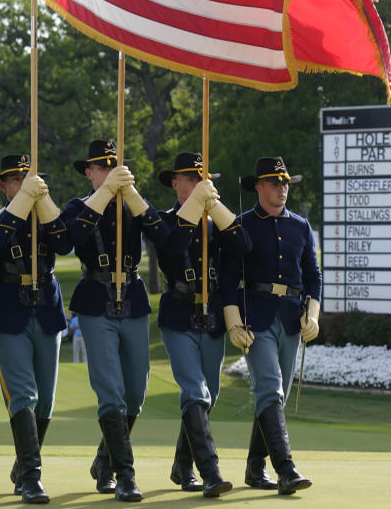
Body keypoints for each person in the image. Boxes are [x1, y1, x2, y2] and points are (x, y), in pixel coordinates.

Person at [61, 139, 162, 502]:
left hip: (132, 297)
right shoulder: (78, 207)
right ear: (89, 172)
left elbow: (162, 236)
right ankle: (125, 474)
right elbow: (70, 238)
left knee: (135, 393)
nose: (107, 172)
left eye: (113, 166)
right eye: (101, 167)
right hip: (95, 299)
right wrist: (104, 194)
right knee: (110, 392)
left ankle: (104, 460)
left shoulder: (133, 203)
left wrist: (131, 194)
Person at [219, 157, 321, 495]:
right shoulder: (241, 224)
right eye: (275, 183)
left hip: (291, 317)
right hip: (255, 317)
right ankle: (286, 469)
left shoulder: (301, 226)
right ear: (259, 187)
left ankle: (255, 467)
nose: (282, 188)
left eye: (285, 183)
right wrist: (233, 323)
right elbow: (228, 278)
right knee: (269, 387)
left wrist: (314, 314)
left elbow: (313, 276)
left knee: (276, 394)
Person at [153, 152, 248, 497]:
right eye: (188, 179)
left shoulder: (217, 223)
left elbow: (244, 245)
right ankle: (209, 471)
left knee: (209, 396)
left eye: (200, 180)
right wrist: (195, 208)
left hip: (212, 319)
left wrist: (218, 209)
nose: (194, 185)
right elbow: (174, 245)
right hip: (179, 313)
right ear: (175, 183)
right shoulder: (163, 220)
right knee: (194, 390)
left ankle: (181, 465)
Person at [0, 154, 71, 503]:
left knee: (45, 400)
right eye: (15, 180)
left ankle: (22, 463)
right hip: (9, 310)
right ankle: (32, 477)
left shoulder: (48, 216)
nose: (22, 184)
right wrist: (22, 201)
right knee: (23, 395)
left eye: (28, 178)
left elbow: (64, 243)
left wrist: (42, 200)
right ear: (3, 186)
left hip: (46, 306)